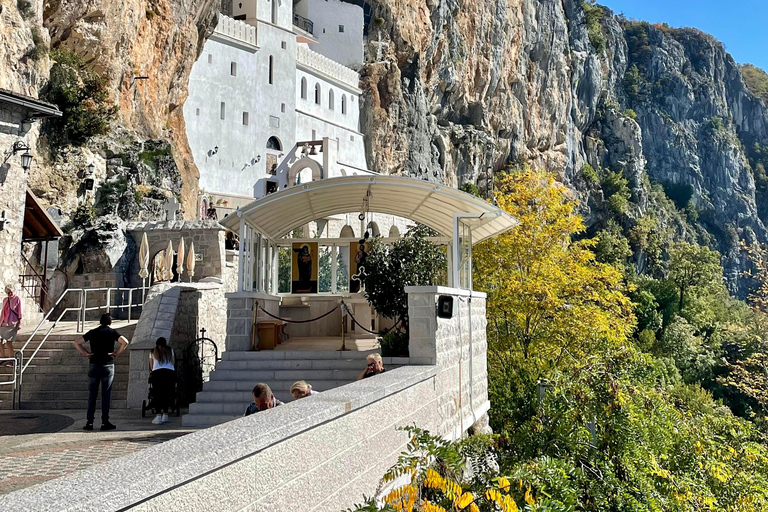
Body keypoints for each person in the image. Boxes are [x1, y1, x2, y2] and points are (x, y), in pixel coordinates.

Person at [73, 313, 129, 431]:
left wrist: (86, 353)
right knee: (106, 394)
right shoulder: (112, 332)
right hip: (108, 364)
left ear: (100, 321)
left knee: (92, 395)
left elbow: (76, 342)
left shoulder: (93, 332)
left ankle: (89, 422)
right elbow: (125, 342)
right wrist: (116, 353)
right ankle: (105, 422)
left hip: (94, 364)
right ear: (110, 322)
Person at [149, 337, 176, 425]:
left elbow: (151, 365)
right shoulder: (170, 350)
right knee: (167, 393)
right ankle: (165, 414)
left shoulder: (153, 351)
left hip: (157, 373)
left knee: (157, 394)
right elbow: (173, 362)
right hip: (169, 372)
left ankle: (158, 415)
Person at [0, 285, 22, 367]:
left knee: (9, 342)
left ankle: (11, 359)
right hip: (3, 322)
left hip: (12, 323)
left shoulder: (17, 299)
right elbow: (3, 311)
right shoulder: (5, 299)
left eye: (11, 292)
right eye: (8, 292)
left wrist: (20, 323)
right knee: (0, 340)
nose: (10, 294)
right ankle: (2, 357)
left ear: (14, 291)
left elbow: (20, 311)